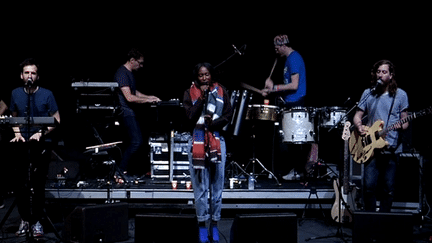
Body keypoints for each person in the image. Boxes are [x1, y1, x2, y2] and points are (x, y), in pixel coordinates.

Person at [9, 58, 60, 238]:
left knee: (38, 184)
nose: (30, 75)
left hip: (40, 144)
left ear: (37, 76)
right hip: (21, 143)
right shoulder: (16, 93)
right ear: (21, 75)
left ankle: (37, 220)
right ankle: (24, 219)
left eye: (33, 73)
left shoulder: (47, 94)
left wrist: (42, 133)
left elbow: (57, 119)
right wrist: (16, 133)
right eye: (27, 72)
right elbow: (13, 117)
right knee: (21, 183)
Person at [183, 62, 233, 243]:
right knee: (200, 188)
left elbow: (228, 114)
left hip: (217, 139)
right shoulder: (189, 93)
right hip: (197, 139)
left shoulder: (221, 91)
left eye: (207, 75)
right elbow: (190, 116)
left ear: (211, 75)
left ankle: (215, 224)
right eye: (201, 75)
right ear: (196, 77)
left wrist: (213, 124)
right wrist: (202, 100)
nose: (204, 78)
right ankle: (202, 226)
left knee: (216, 187)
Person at [353, 60, 409, 212]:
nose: (380, 74)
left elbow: (405, 122)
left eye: (384, 72)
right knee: (368, 187)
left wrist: (401, 125)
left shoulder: (400, 95)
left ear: (391, 76)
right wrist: (359, 126)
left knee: (388, 189)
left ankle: (384, 221)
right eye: (378, 71)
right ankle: (371, 219)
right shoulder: (368, 93)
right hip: (372, 147)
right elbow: (358, 115)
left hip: (391, 148)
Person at [261, 34, 315, 181]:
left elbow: (294, 85)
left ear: (283, 45)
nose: (276, 50)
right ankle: (291, 170)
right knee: (286, 141)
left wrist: (274, 88)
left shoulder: (294, 59)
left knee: (292, 141)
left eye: (277, 47)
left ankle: (297, 170)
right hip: (290, 102)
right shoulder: (288, 60)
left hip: (296, 102)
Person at [114, 48, 161, 180]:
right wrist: (147, 100)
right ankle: (120, 171)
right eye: (139, 63)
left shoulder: (129, 73)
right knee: (136, 142)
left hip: (130, 113)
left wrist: (150, 97)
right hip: (125, 113)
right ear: (132, 60)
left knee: (137, 142)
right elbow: (129, 97)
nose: (141, 66)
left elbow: (135, 92)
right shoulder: (122, 73)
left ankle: (124, 171)